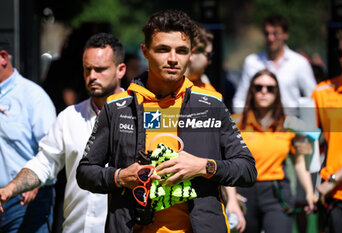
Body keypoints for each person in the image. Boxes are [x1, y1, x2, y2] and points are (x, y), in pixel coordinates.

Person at [76, 9, 257, 233]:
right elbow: (85, 173)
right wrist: (121, 177)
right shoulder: (116, 107)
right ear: (145, 51)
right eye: (163, 49)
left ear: (190, 54)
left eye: (181, 51)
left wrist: (203, 167)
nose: (173, 59)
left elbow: (247, 169)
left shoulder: (212, 105)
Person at [0, 33, 126, 233]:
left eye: (100, 69)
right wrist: (9, 190)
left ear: (120, 70)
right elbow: (44, 163)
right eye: (87, 69)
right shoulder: (70, 117)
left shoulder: (140, 115)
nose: (92, 76)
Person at [233, 69, 316, 233]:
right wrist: (230, 197)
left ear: (277, 93)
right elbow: (228, 162)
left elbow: (299, 162)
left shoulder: (290, 123)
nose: (264, 92)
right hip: (244, 192)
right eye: (259, 87)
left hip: (276, 192)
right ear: (251, 91)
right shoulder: (237, 122)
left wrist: (309, 192)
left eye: (270, 88)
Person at [185, 23, 246, 232]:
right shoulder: (157, 91)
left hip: (204, 203)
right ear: (193, 53)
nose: (210, 61)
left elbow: (224, 153)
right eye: (208, 55)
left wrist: (232, 200)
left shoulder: (211, 94)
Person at [0, 39, 56, 232]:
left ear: (3, 58)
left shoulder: (33, 97)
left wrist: (34, 182)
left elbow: (51, 153)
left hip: (24, 201)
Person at [233, 14, 316, 115]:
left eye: (275, 34)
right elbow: (240, 100)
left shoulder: (300, 63)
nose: (270, 38)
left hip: (290, 124)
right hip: (258, 126)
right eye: (267, 34)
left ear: (285, 34)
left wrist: (305, 126)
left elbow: (312, 99)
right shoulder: (252, 62)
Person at [313, 27, 342, 233]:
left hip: (332, 185)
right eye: (341, 53)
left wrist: (333, 180)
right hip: (334, 198)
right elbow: (305, 138)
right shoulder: (322, 92)